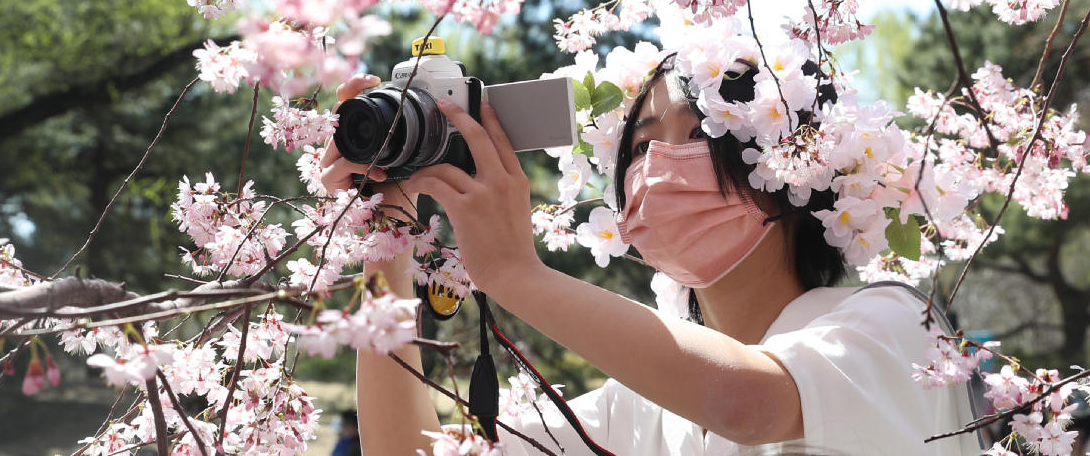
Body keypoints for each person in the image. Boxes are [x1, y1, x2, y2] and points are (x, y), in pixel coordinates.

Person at [326, 56, 984, 456]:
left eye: (701, 133)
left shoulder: (894, 322)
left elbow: (746, 403)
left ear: (793, 166)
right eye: (640, 146)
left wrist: (514, 273)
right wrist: (385, 236)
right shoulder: (639, 407)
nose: (660, 165)